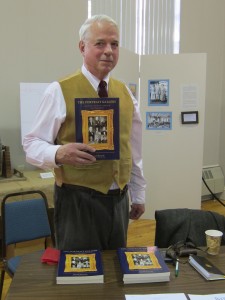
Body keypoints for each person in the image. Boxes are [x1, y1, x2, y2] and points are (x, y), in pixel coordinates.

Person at [23, 14, 146, 251]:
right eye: (100, 43)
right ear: (82, 47)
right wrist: (58, 153)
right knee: (80, 275)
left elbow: (133, 150)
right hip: (77, 201)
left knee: (114, 270)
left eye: (115, 44)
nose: (109, 51)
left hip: (119, 200)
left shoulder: (126, 93)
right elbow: (31, 143)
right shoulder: (58, 90)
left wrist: (138, 193)